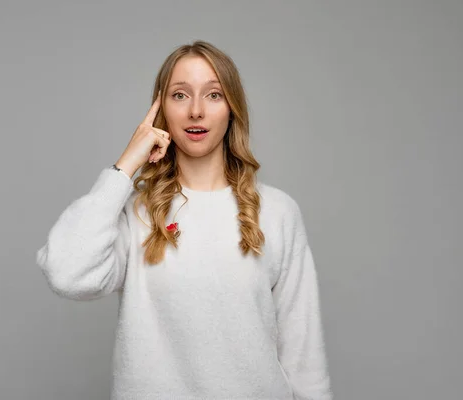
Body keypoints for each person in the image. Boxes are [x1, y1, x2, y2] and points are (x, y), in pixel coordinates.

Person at [36, 40, 333, 399]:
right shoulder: (135, 213)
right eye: (180, 95)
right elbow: (67, 273)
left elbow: (305, 358)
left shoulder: (278, 212)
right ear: (160, 110)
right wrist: (126, 165)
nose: (196, 111)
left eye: (213, 95)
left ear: (232, 108)